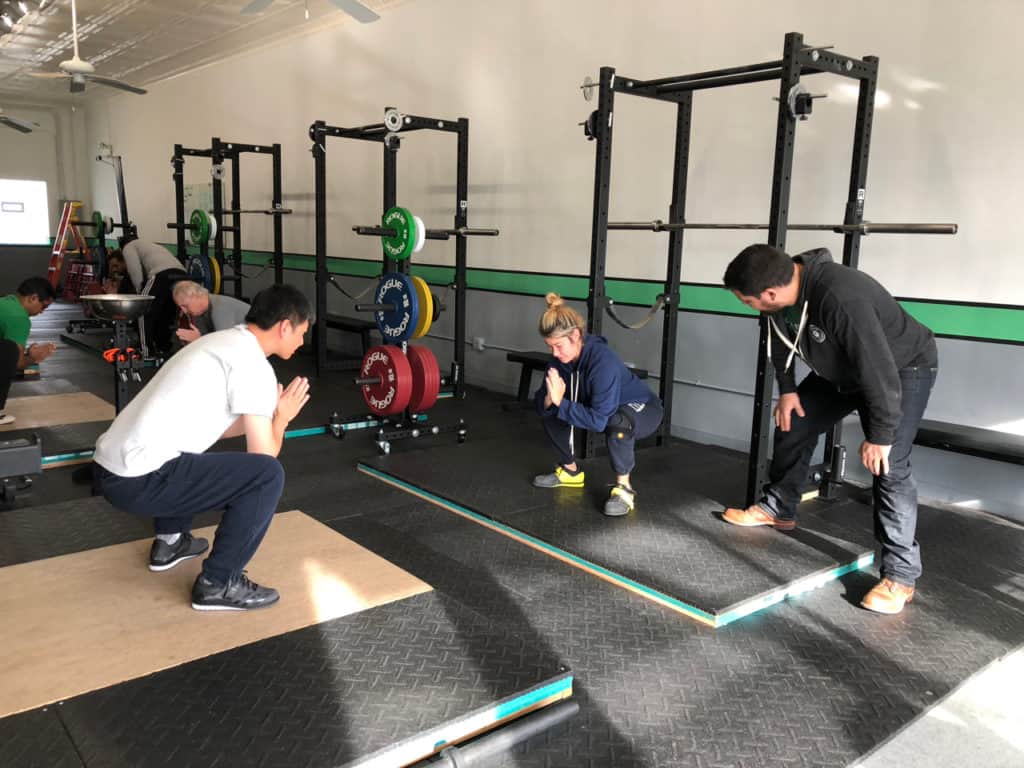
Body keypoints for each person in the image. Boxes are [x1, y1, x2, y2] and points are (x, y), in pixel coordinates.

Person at [721, 244, 938, 615]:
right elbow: (778, 339)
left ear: (770, 294)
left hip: (901, 370)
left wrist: (881, 436)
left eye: (748, 302)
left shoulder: (841, 298)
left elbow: (878, 372)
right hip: (844, 372)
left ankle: (900, 577)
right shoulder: (781, 299)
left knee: (889, 467)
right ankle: (778, 506)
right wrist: (788, 389)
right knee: (794, 421)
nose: (750, 307)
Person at [93, 284, 312, 611]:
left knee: (194, 449)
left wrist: (270, 415)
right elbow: (263, 458)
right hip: (137, 479)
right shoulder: (253, 365)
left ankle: (171, 542)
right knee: (267, 477)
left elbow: (215, 428)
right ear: (284, 327)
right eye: (302, 332)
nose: (302, 341)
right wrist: (281, 419)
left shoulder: (221, 342)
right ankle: (219, 583)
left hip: (110, 467)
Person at [532, 293, 663, 517]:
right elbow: (541, 404)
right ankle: (569, 472)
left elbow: (599, 420)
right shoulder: (559, 360)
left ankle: (624, 489)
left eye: (559, 346)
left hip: (641, 408)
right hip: (602, 410)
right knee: (550, 408)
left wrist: (559, 402)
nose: (554, 353)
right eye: (550, 346)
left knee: (618, 422)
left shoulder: (603, 361)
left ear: (575, 335)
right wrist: (549, 401)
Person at [0, 277, 57, 426]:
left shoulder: (6, 301)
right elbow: (16, 363)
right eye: (43, 307)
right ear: (33, 298)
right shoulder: (19, 317)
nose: (42, 312)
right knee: (10, 351)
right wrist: (32, 358)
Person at [120, 239, 189, 356]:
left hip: (162, 274)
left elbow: (134, 271)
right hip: (182, 274)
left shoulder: (128, 247)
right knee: (166, 313)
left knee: (143, 312)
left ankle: (145, 350)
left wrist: (139, 295)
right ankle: (164, 347)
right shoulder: (150, 245)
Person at [172, 280, 250, 345]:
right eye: (181, 307)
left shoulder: (220, 308)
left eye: (185, 306)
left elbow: (225, 347)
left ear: (196, 296)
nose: (184, 311)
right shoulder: (199, 312)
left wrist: (198, 340)